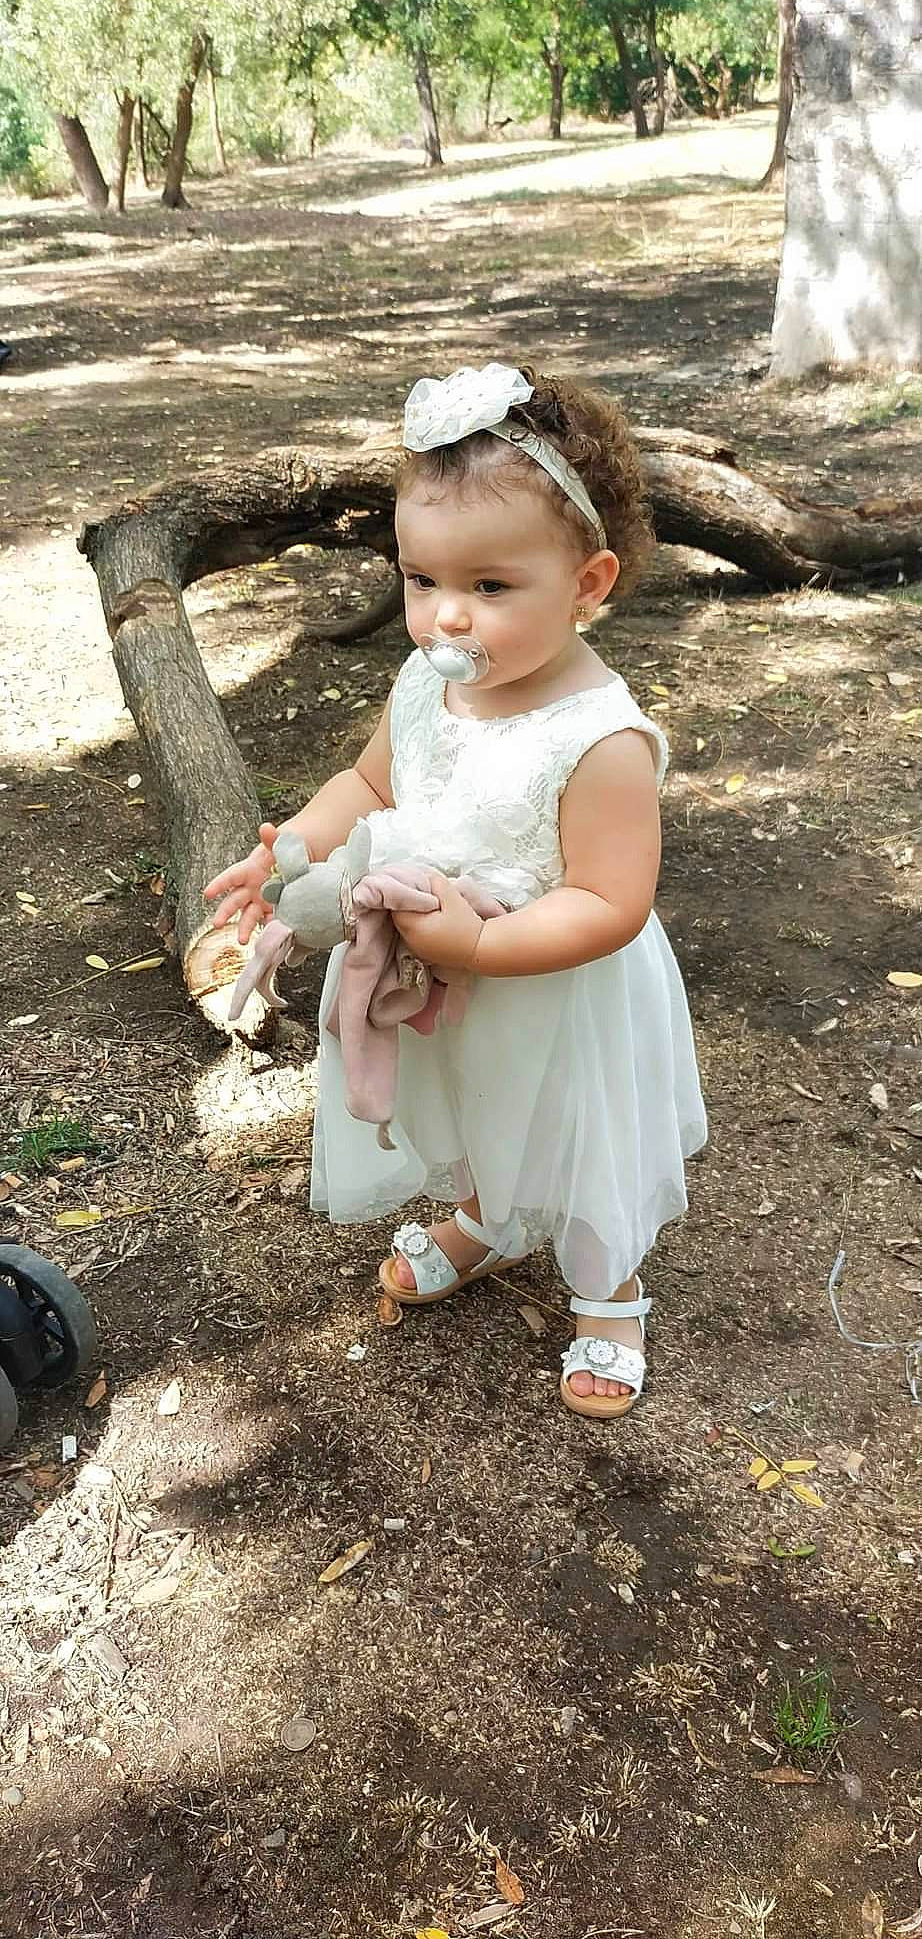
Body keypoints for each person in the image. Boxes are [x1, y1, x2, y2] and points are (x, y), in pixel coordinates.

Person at [205, 362, 706, 1420]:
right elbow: (371, 781)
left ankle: (608, 1292)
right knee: (470, 1105)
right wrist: (290, 850)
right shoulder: (422, 684)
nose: (444, 619)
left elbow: (610, 902)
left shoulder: (598, 738)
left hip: (553, 988)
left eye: (489, 587)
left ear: (588, 582)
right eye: (420, 579)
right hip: (440, 968)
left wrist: (482, 947)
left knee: (572, 1134)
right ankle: (484, 1217)